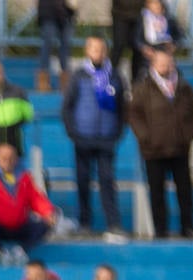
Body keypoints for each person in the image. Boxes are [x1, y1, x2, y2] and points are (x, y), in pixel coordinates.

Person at [127, 43, 193, 240]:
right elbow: (134, 115)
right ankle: (160, 231)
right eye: (160, 62)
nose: (164, 66)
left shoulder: (185, 88)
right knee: (157, 193)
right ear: (153, 63)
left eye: (168, 62)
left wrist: (190, 135)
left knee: (185, 191)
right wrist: (146, 137)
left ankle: (188, 227)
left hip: (180, 148)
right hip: (154, 150)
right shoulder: (143, 88)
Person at [62, 35, 128, 241]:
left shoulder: (115, 75)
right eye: (94, 49)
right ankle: (84, 222)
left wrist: (118, 131)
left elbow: (123, 106)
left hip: (107, 138)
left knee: (107, 180)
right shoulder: (79, 75)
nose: (98, 53)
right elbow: (67, 106)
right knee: (83, 181)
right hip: (83, 137)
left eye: (101, 49)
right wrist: (73, 132)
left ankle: (113, 224)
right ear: (87, 51)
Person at [0, 142, 56, 265]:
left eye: (11, 158)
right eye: (4, 158)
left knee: (43, 225)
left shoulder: (24, 178)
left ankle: (21, 251)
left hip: (20, 225)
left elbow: (36, 199)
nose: (8, 161)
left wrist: (47, 212)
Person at [132, 0, 184, 74]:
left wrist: (174, 45)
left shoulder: (169, 19)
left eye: (157, 4)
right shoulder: (143, 20)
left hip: (166, 50)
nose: (156, 6)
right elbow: (136, 38)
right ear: (148, 5)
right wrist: (144, 48)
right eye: (153, 4)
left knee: (172, 70)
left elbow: (179, 35)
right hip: (150, 51)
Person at [36, 0, 75, 92]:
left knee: (64, 46)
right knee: (47, 45)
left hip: (65, 12)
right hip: (49, 11)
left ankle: (65, 82)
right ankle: (43, 81)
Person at [110, 0, 145, 82]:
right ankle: (110, 78)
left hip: (138, 14)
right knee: (118, 48)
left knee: (138, 49)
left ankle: (136, 82)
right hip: (120, 14)